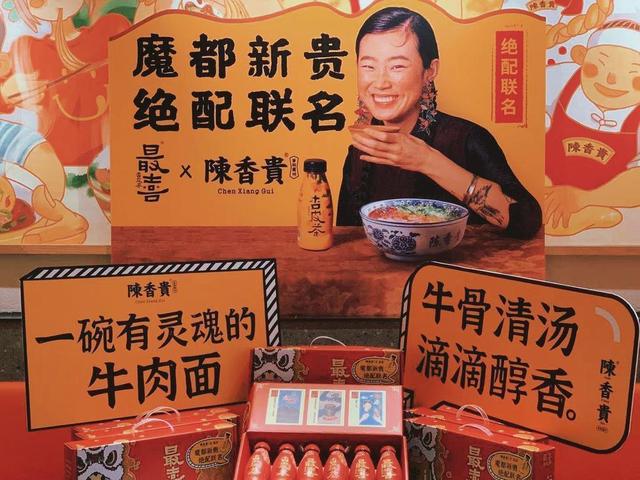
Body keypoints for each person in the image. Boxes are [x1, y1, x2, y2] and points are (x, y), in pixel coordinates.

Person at [337, 7, 542, 239]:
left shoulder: (467, 138)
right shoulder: (360, 151)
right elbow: (346, 237)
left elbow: (527, 221)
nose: (380, 82)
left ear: (430, 71)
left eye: (397, 66)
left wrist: (427, 160)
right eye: (368, 66)